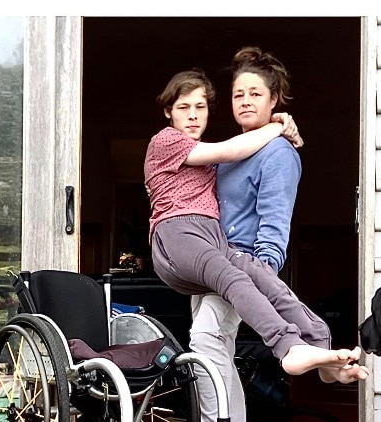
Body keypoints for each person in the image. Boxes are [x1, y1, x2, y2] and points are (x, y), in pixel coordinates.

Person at [144, 68, 369, 404]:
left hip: (223, 251)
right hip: (186, 239)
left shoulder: (274, 153)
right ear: (168, 111)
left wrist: (265, 266)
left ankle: (317, 346)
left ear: (274, 99)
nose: (192, 115)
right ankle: (289, 348)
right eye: (239, 95)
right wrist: (278, 125)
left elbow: (275, 219)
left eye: (200, 107)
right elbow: (231, 150)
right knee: (208, 341)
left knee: (220, 338)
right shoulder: (176, 144)